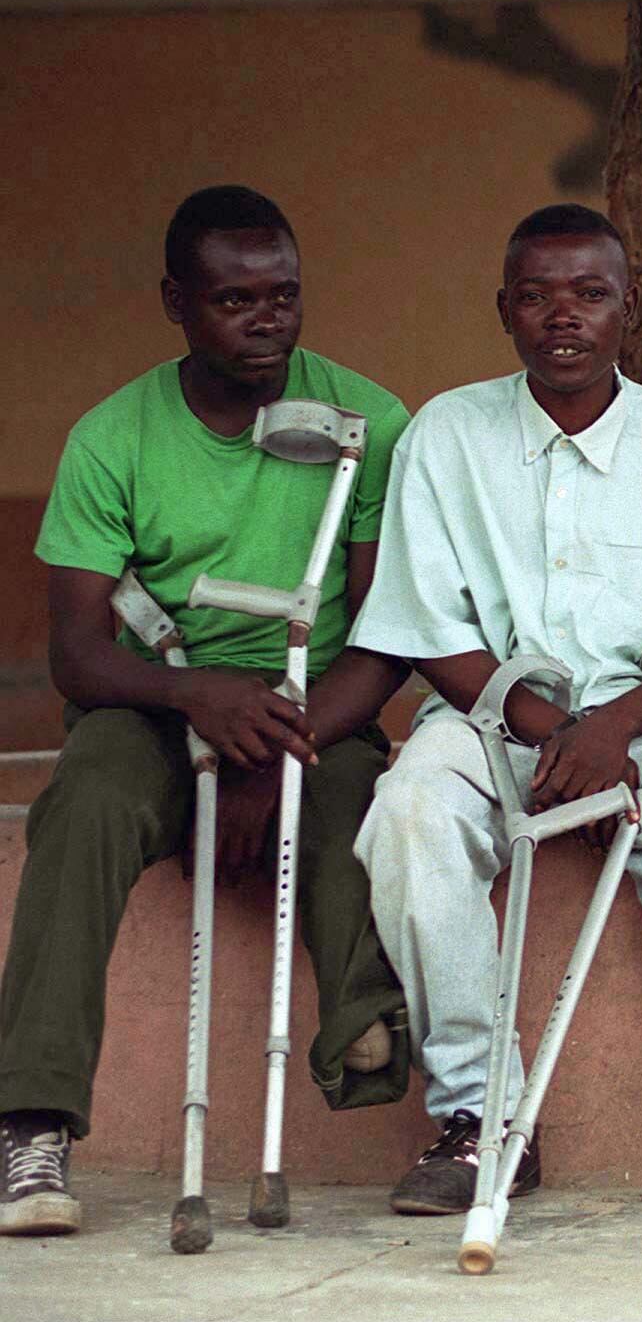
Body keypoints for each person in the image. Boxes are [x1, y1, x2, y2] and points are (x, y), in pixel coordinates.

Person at [349, 204, 642, 1216]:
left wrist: (611, 731)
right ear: (505, 310)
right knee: (410, 814)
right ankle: (484, 1119)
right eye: (537, 294)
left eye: (590, 293)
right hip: (489, 719)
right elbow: (426, 624)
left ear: (626, 307)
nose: (563, 316)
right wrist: (538, 725)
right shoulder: (445, 434)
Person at [1, 186, 411, 1238]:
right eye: (235, 300)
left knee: (367, 795)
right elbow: (79, 653)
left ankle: (362, 1036)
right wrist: (194, 695)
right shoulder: (112, 437)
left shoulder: (371, 421)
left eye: (284, 295)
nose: (267, 319)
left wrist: (273, 749)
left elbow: (386, 631)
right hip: (153, 699)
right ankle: (33, 1122)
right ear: (177, 303)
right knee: (81, 798)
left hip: (311, 708)